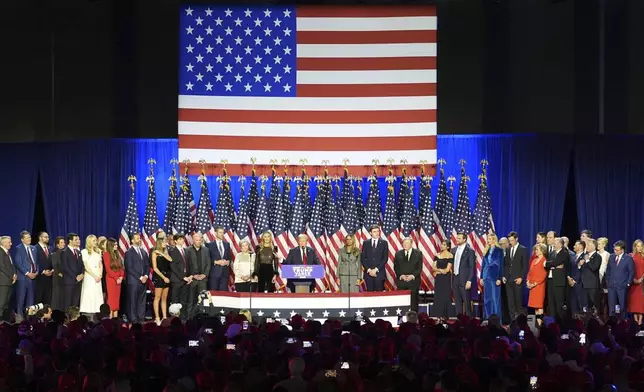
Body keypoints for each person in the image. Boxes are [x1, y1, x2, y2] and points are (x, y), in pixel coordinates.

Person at [124, 233, 149, 324]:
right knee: (133, 301)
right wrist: (140, 277)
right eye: (137, 238)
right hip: (133, 281)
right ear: (132, 241)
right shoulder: (129, 253)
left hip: (143, 281)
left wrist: (146, 276)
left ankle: (141, 318)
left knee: (142, 300)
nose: (139, 240)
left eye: (139, 238)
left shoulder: (143, 252)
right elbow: (129, 268)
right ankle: (133, 319)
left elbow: (147, 265)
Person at [605, 240, 634, 317]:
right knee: (611, 307)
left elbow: (631, 272)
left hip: (622, 286)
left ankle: (624, 324)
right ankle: (612, 324)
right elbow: (608, 270)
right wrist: (608, 281)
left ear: (622, 250)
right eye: (614, 249)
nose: (615, 251)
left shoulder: (628, 258)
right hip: (611, 286)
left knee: (622, 307)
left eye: (617, 250)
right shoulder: (611, 256)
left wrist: (627, 284)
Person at [504, 231, 527, 320]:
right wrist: (504, 276)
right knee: (510, 303)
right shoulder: (508, 249)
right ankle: (512, 321)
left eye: (512, 240)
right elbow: (506, 264)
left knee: (518, 302)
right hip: (508, 280)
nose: (510, 242)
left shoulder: (522, 249)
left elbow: (525, 266)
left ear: (516, 239)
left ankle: (521, 322)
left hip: (517, 279)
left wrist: (521, 277)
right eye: (509, 241)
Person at [15, 231, 38, 319]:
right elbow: (18, 263)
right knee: (21, 300)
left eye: (30, 237)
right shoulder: (19, 248)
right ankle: (20, 319)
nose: (29, 239)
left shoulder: (33, 248)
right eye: (27, 238)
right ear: (22, 239)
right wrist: (28, 273)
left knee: (30, 300)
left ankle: (29, 319)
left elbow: (36, 262)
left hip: (33, 278)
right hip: (23, 278)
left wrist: (36, 272)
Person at [393, 238, 422, 311]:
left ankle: (413, 318)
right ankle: (401, 319)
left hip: (413, 282)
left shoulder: (418, 253)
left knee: (414, 302)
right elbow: (396, 267)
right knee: (401, 302)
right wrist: (401, 275)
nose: (405, 245)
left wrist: (412, 276)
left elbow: (419, 268)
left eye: (407, 243)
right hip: (402, 282)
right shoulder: (398, 253)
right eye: (404, 243)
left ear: (411, 244)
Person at [186, 232, 210, 318]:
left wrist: (205, 274)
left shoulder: (206, 250)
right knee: (191, 300)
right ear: (193, 240)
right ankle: (189, 318)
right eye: (196, 240)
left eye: (200, 240)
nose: (198, 242)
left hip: (203, 280)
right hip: (192, 279)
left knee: (202, 300)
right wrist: (192, 275)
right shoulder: (188, 250)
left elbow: (208, 264)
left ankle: (201, 318)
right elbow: (186, 265)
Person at [480, 233, 503, 319]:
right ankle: (487, 318)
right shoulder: (486, 250)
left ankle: (497, 320)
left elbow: (501, 265)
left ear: (494, 240)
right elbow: (483, 265)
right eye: (488, 239)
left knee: (495, 299)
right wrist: (481, 277)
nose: (488, 240)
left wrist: (499, 278)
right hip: (486, 277)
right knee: (487, 299)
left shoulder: (499, 250)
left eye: (489, 239)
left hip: (494, 277)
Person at [452, 232, 475, 316]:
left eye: (459, 238)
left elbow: (472, 267)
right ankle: (459, 320)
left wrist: (469, 280)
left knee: (467, 302)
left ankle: (469, 321)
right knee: (457, 302)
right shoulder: (453, 250)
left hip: (465, 280)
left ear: (464, 239)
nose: (456, 239)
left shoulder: (470, 251)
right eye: (457, 238)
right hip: (455, 279)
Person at [80, 235, 104, 315]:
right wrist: (94, 276)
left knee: (97, 293)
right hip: (89, 276)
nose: (96, 242)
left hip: (98, 276)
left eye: (96, 240)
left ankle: (97, 310)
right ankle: (87, 312)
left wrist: (100, 275)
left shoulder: (99, 251)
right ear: (89, 242)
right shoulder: (84, 251)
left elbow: (100, 264)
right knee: (89, 293)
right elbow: (86, 266)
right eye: (94, 241)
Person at [545, 237, 568, 322]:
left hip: (559, 282)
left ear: (560, 244)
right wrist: (553, 265)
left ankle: (562, 324)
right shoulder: (551, 253)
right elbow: (550, 264)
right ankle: (552, 324)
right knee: (551, 304)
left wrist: (551, 264)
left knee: (559, 304)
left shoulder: (564, 253)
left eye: (555, 242)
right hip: (550, 280)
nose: (553, 244)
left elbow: (555, 262)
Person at [151, 233, 172, 324]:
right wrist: (163, 277)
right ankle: (157, 317)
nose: (165, 243)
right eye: (164, 242)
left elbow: (171, 260)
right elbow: (155, 268)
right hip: (159, 277)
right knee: (157, 297)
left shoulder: (165, 252)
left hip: (167, 276)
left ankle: (164, 317)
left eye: (166, 242)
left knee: (164, 298)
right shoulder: (154, 253)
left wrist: (163, 253)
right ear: (159, 243)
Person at [169, 234, 191, 319]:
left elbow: (188, 265)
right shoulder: (172, 251)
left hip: (185, 280)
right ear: (175, 241)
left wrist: (189, 277)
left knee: (183, 300)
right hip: (177, 280)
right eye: (180, 239)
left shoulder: (185, 250)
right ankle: (174, 319)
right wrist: (182, 277)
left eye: (183, 239)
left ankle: (183, 318)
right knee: (175, 300)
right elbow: (173, 266)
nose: (182, 240)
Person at [360, 225, 388, 292]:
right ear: (370, 233)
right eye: (374, 231)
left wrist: (375, 270)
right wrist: (369, 270)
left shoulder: (384, 243)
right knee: (370, 295)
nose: (377, 233)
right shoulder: (366, 243)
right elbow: (363, 258)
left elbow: (385, 258)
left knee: (379, 296)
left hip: (379, 273)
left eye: (378, 231)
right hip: (368, 274)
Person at [60, 233, 84, 310]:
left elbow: (82, 265)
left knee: (75, 303)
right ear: (70, 241)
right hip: (69, 282)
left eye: (78, 239)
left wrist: (81, 274)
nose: (78, 241)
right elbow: (65, 267)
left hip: (78, 282)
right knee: (68, 303)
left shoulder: (78, 252)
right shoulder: (64, 252)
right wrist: (75, 277)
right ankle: (67, 320)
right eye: (75, 239)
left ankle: (75, 319)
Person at [526, 244, 548, 326]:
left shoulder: (544, 260)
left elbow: (543, 274)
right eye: (535, 250)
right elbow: (530, 272)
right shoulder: (534, 260)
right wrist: (528, 281)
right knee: (535, 307)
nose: (536, 251)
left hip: (539, 286)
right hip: (532, 287)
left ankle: (540, 325)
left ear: (542, 250)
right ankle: (537, 324)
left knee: (539, 306)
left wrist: (534, 284)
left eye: (537, 249)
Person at [103, 238, 124, 319]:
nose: (116, 246)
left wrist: (121, 277)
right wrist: (116, 278)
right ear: (110, 245)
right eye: (115, 245)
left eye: (116, 244)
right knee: (111, 300)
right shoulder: (106, 254)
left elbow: (121, 267)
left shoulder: (117, 254)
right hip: (111, 280)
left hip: (119, 280)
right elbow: (108, 269)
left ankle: (116, 319)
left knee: (116, 300)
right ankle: (110, 320)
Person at [431, 240, 453, 318]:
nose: (442, 246)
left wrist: (438, 271)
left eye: (444, 245)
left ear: (448, 247)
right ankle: (438, 315)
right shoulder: (437, 255)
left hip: (446, 278)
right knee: (438, 295)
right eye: (442, 244)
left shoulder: (450, 255)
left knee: (446, 295)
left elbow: (447, 270)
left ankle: (446, 315)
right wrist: (440, 270)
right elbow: (433, 267)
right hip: (439, 278)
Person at [579, 238, 602, 313]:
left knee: (594, 306)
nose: (587, 246)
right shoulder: (585, 256)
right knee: (586, 307)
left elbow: (594, 268)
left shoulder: (597, 256)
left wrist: (587, 260)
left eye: (588, 245)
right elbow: (581, 270)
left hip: (592, 285)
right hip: (584, 284)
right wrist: (579, 265)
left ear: (594, 246)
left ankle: (596, 322)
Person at [207, 226, 232, 291]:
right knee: (214, 294)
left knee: (223, 295)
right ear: (215, 233)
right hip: (214, 274)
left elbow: (229, 257)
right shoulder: (209, 245)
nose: (222, 234)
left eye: (223, 232)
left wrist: (227, 262)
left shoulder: (227, 244)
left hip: (224, 274)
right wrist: (215, 262)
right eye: (220, 232)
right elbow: (207, 259)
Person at [34, 232, 53, 306]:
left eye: (48, 237)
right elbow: (34, 262)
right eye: (45, 237)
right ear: (40, 238)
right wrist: (42, 271)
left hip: (49, 278)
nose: (47, 238)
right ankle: (36, 316)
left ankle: (47, 316)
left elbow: (52, 261)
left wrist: (52, 270)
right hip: (39, 278)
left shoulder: (50, 248)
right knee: (38, 298)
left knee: (48, 299)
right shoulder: (35, 248)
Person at [567, 240, 586, 315]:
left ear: (581, 246)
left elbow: (583, 271)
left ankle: (582, 322)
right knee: (573, 303)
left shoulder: (584, 256)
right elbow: (570, 268)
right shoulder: (573, 257)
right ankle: (574, 320)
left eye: (576, 245)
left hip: (579, 283)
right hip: (571, 283)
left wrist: (575, 281)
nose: (574, 246)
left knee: (580, 303)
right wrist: (569, 278)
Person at [0, 236, 16, 319]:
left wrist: (14, 275)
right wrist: (11, 276)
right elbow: (2, 266)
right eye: (9, 242)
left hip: (8, 281)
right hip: (3, 282)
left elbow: (11, 265)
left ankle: (3, 321)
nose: (11, 244)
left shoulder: (7, 252)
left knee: (6, 303)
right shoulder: (0, 251)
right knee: (1, 303)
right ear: (4, 243)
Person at [629, 239, 644, 324]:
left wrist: (641, 279)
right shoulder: (631, 256)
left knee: (641, 302)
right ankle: (635, 322)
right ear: (635, 247)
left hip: (642, 283)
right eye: (638, 246)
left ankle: (640, 321)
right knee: (634, 302)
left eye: (641, 246)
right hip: (634, 282)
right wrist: (634, 280)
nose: (640, 248)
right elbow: (629, 270)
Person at [50, 236, 66, 311]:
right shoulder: (54, 254)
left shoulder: (66, 253)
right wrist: (60, 272)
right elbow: (55, 266)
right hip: (57, 278)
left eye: (64, 242)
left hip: (65, 278)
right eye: (61, 242)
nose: (63, 244)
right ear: (57, 245)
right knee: (57, 296)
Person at [597, 237, 611, 316]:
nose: (597, 245)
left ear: (604, 245)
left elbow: (609, 268)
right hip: (595, 278)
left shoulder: (607, 254)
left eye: (599, 244)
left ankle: (605, 318)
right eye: (597, 244)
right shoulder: (596, 254)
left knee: (604, 300)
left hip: (603, 278)